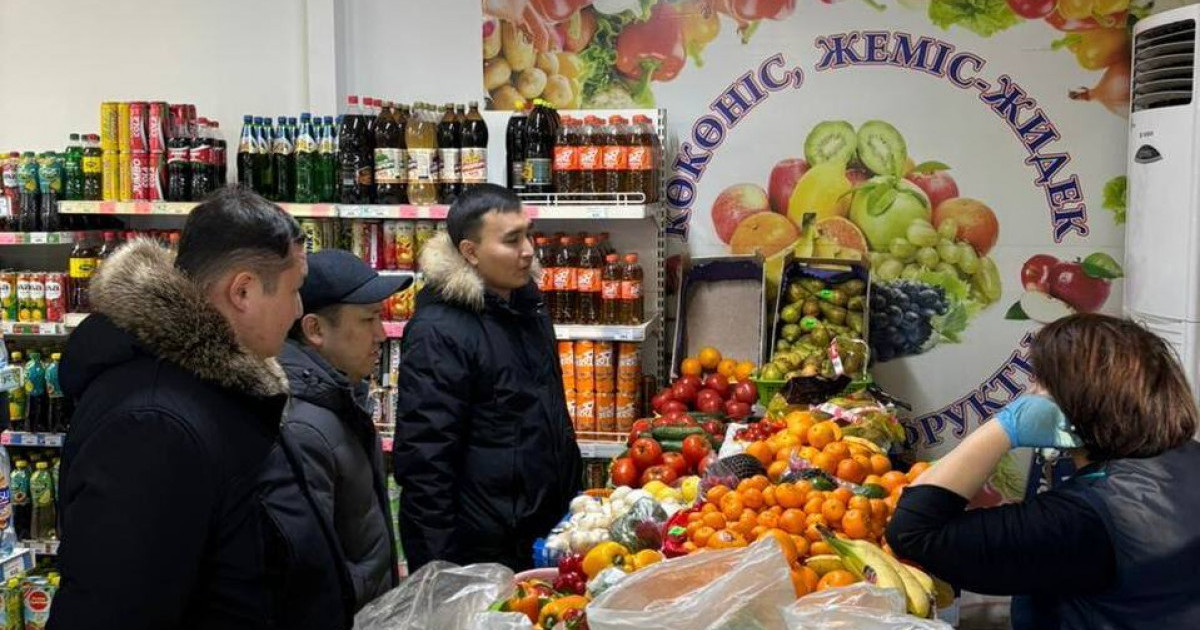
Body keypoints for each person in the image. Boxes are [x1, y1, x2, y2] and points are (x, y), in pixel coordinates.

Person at [52, 188, 354, 630]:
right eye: (295, 290)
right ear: (243, 291)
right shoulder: (153, 427)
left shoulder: (217, 386)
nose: (298, 310)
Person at [886, 313, 1200, 629]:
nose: (1031, 393)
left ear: (1071, 401)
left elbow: (914, 532)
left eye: (1039, 384)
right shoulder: (1188, 457)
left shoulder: (1084, 518)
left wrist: (1005, 427)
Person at [393, 184, 582, 571]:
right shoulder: (438, 332)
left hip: (543, 535)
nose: (527, 250)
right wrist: (439, 575)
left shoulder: (527, 308)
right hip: (483, 554)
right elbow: (426, 464)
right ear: (470, 252)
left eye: (527, 234)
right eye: (512, 240)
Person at [280, 249, 410, 609]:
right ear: (315, 330)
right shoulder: (305, 428)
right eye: (368, 320)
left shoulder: (342, 403)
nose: (381, 334)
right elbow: (310, 571)